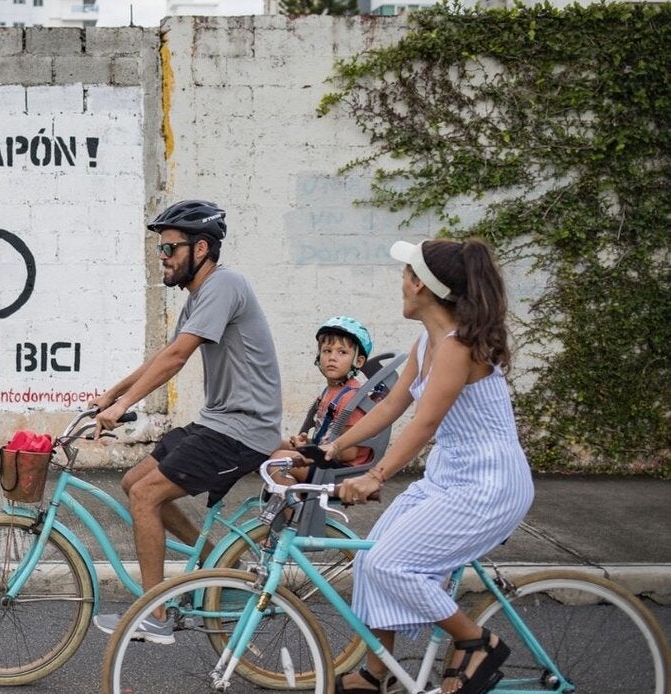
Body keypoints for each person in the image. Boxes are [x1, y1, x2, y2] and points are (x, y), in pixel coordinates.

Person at [325, 238, 533, 694]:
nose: (400, 282)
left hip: (488, 487)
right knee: (369, 559)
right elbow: (394, 406)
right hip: (449, 479)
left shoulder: (459, 348)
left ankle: (475, 640)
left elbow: (424, 423)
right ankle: (377, 671)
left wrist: (376, 474)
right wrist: (334, 445)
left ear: (421, 285)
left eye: (405, 274)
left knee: (392, 565)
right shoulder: (427, 341)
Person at [88, 199, 283, 643]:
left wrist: (121, 409)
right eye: (161, 249)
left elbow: (178, 356)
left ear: (201, 249)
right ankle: (221, 565)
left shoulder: (224, 284)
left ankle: (155, 615)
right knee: (133, 480)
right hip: (219, 422)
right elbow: (165, 352)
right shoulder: (200, 295)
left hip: (242, 430)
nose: (163, 258)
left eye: (170, 249)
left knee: (145, 497)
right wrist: (114, 393)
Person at [269, 316, 377, 486]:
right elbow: (327, 437)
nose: (332, 358)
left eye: (342, 352)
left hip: (341, 469)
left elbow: (349, 452)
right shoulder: (331, 391)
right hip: (326, 458)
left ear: (358, 361)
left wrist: (311, 452)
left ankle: (295, 510)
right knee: (270, 445)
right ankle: (291, 501)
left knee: (277, 462)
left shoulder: (351, 398)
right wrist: (306, 446)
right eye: (327, 351)